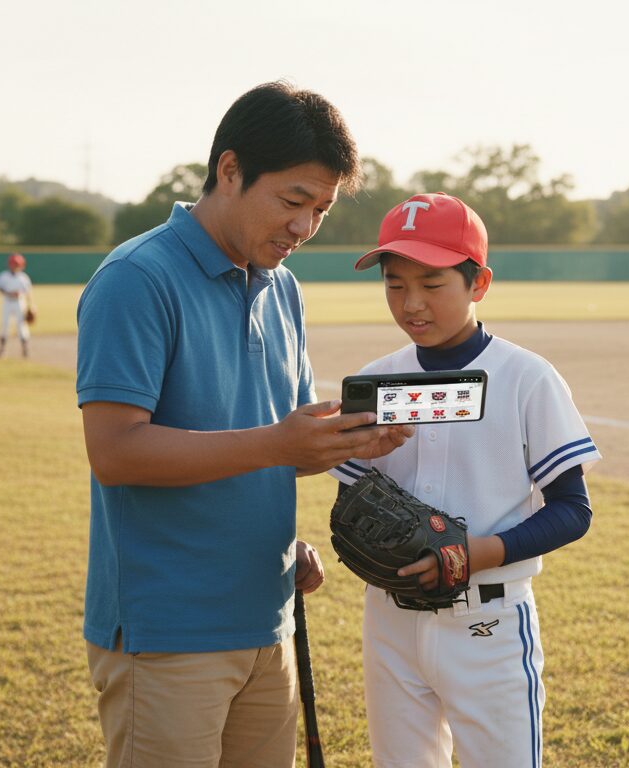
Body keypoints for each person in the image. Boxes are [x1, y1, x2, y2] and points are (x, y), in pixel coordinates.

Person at [75, 82, 411, 767]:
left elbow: (283, 444)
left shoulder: (282, 287)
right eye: (292, 202)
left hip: (269, 614)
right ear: (229, 171)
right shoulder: (137, 278)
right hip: (167, 631)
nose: (303, 227)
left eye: (319, 209)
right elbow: (114, 451)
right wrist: (279, 442)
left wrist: (346, 441)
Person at [330, 193, 601, 767]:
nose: (411, 303)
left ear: (478, 283)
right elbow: (352, 505)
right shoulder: (377, 380)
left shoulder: (526, 377)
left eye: (432, 283)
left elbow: (572, 509)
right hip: (390, 621)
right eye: (395, 284)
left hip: (488, 623)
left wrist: (474, 553)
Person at [0, 252, 35, 358]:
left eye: (17, 264)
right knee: (4, 325)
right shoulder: (3, 276)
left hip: (20, 302)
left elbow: (28, 292)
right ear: (10, 264)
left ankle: (25, 349)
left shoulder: (23, 277)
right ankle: (2, 350)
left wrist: (32, 305)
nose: (15, 266)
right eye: (13, 264)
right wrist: (8, 293)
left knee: (22, 326)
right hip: (7, 302)